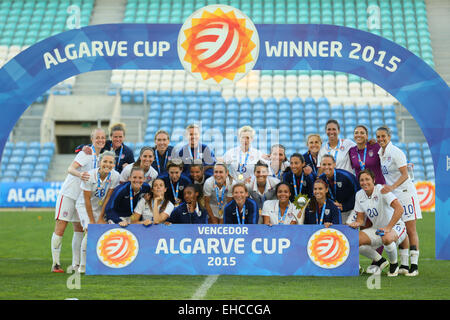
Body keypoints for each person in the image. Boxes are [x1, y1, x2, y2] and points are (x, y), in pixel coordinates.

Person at [51, 128, 106, 273]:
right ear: (92, 139)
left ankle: (76, 264)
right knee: (61, 226)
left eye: (103, 137)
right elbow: (70, 169)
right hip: (69, 194)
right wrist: (80, 175)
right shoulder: (85, 153)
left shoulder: (100, 157)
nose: (100, 140)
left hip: (81, 197)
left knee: (79, 229)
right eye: (97, 137)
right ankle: (55, 264)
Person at [376, 126, 422, 276]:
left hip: (405, 193)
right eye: (378, 137)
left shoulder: (396, 152)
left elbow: (405, 174)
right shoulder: (380, 152)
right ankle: (404, 265)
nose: (381, 139)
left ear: (389, 137)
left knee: (410, 229)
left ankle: (414, 266)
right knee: (400, 229)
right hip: (394, 196)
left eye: (383, 136)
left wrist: (392, 187)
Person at [349, 169, 409, 277]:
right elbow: (361, 219)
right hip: (377, 229)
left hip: (396, 227)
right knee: (353, 239)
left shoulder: (382, 190)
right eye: (362, 180)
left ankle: (394, 265)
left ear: (373, 180)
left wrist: (389, 227)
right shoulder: (359, 195)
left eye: (367, 179)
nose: (364, 182)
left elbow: (399, 209)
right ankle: (380, 260)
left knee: (386, 237)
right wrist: (355, 223)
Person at [76, 151, 120, 273]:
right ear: (100, 162)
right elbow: (86, 199)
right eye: (105, 161)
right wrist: (91, 220)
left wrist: (101, 217)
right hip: (84, 205)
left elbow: (107, 198)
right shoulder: (89, 175)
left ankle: (102, 262)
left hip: (100, 206)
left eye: (111, 162)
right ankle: (83, 266)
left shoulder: (115, 176)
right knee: (89, 230)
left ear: (114, 164)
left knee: (104, 230)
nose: (107, 164)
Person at [318, 154, 360, 224]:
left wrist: (345, 206)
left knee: (348, 229)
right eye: (324, 164)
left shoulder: (346, 176)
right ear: (320, 165)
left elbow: (359, 193)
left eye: (329, 164)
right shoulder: (321, 179)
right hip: (334, 210)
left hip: (351, 209)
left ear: (334, 164)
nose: (326, 167)